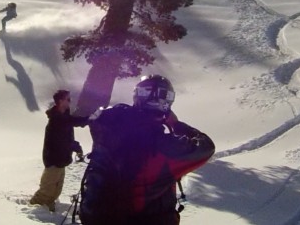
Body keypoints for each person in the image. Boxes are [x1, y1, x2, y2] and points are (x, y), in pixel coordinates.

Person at [79, 75, 215, 225]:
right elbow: (206, 147)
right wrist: (176, 124)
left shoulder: (110, 130)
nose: (157, 99)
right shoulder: (164, 146)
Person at [30, 89, 89, 212]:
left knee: (56, 190)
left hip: (61, 160)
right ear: (60, 101)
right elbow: (64, 136)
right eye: (68, 99)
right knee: (46, 191)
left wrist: (75, 146)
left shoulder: (64, 117)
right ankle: (30, 211)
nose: (70, 102)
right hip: (54, 160)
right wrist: (89, 119)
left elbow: (67, 136)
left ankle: (48, 211)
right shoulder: (56, 120)